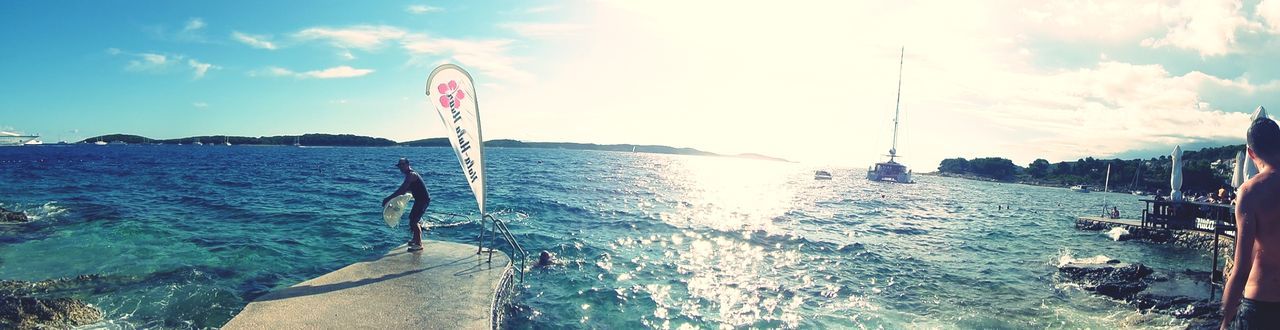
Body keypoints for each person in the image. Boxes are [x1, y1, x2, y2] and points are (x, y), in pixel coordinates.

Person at [1222, 118, 1280, 329]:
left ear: (1250, 152)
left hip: (1260, 304)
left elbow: (1241, 269)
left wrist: (1226, 320)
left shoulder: (1251, 192)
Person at [383, 158, 432, 252]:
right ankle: (415, 239)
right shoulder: (409, 175)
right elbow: (406, 191)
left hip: (423, 200)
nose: (401, 167)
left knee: (414, 221)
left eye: (402, 165)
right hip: (419, 200)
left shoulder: (412, 175)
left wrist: (388, 199)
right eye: (399, 166)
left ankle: (419, 244)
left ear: (407, 164)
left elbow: (401, 190)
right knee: (412, 219)